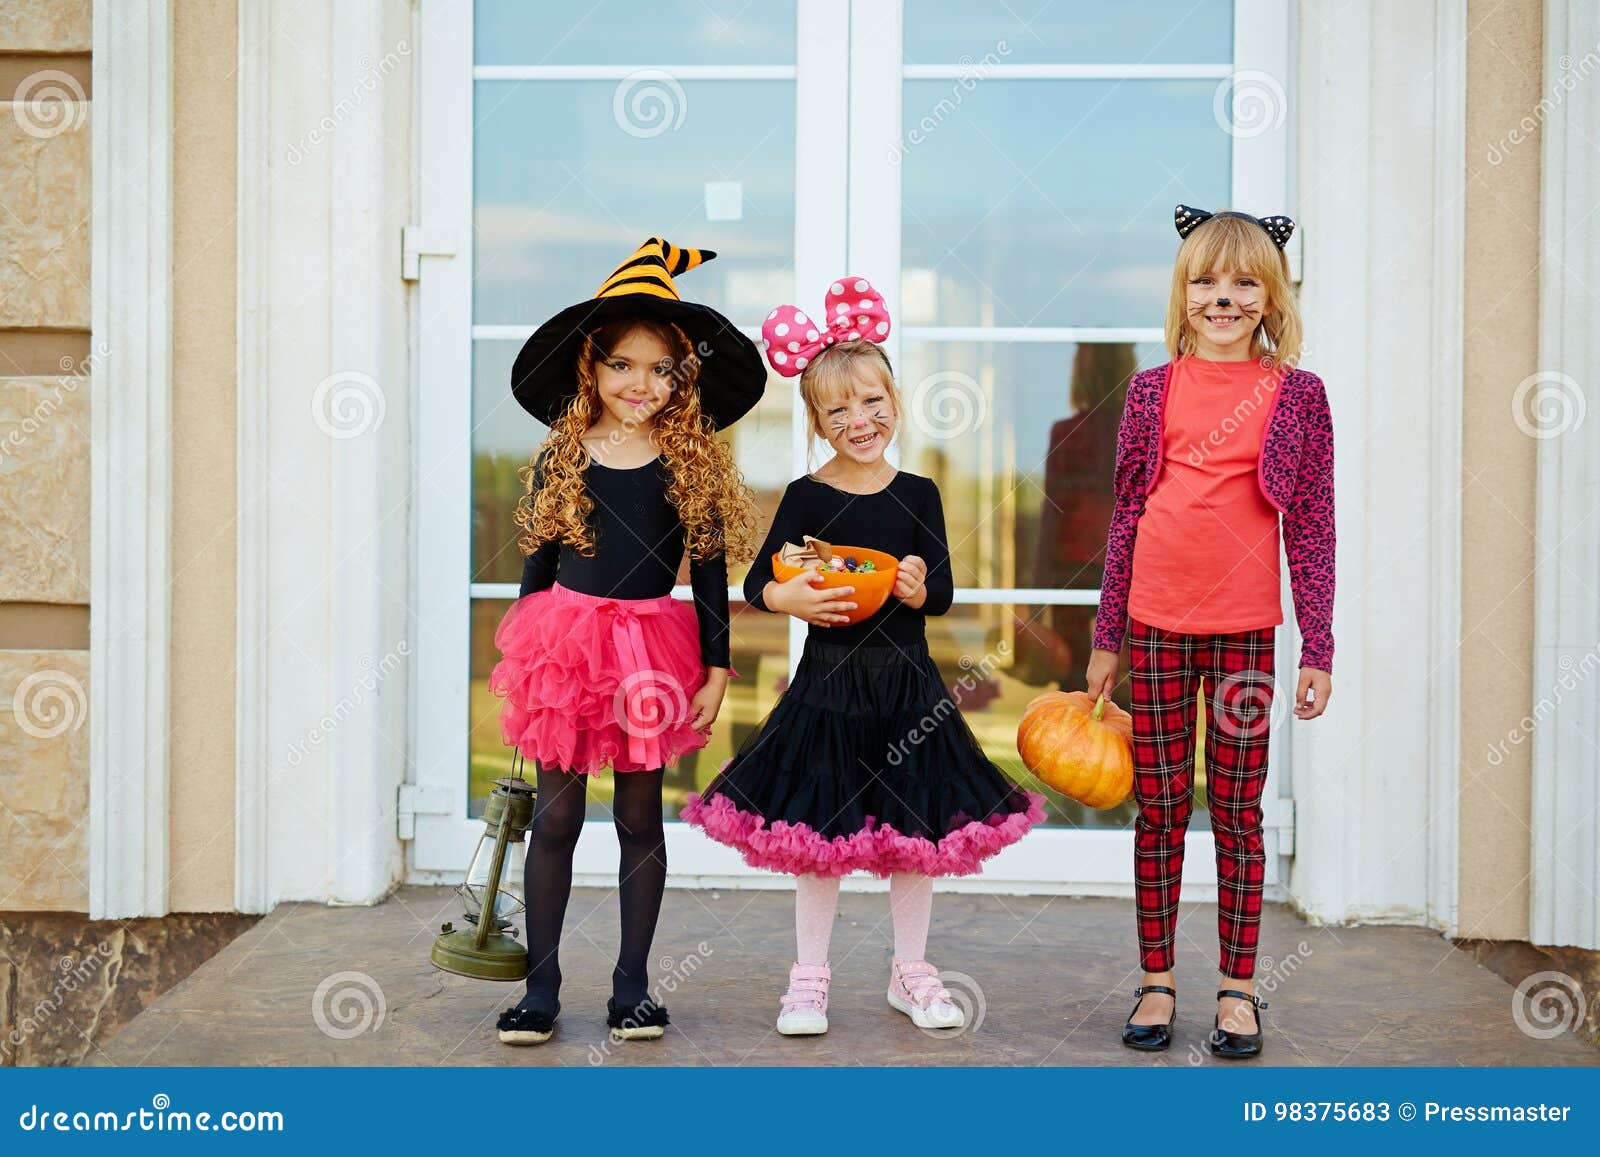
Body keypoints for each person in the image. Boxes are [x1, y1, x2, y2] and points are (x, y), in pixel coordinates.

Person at [682, 276, 1045, 1036]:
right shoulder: (807, 495)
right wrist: (789, 598)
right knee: (820, 838)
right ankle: (809, 978)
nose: (860, 419)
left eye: (873, 401)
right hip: (828, 688)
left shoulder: (917, 493)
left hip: (908, 688)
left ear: (895, 401)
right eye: (839, 408)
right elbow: (760, 579)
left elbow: (939, 589)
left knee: (913, 835)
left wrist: (915, 585)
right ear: (815, 419)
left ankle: (909, 971)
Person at [489, 238, 764, 1046]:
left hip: (652, 649)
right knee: (558, 815)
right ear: (591, 370)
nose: (640, 384)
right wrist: (527, 664)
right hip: (566, 648)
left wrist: (717, 664)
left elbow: (708, 568)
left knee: (641, 815)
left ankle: (633, 986)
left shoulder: (690, 463)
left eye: (661, 369)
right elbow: (536, 568)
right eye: (622, 365)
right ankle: (540, 990)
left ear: (683, 378)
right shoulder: (562, 457)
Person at [1086, 206, 1335, 1059]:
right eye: (1205, 281)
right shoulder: (1152, 391)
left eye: (1242, 283)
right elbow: (1126, 514)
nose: (1221, 298)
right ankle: (1157, 980)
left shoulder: (1298, 395)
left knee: (1236, 811)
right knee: (1158, 810)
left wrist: (1321, 646)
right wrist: (1107, 635)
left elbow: (1313, 526)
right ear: (1182, 292)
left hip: (1244, 637)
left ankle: (1237, 988)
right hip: (1155, 623)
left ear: (1270, 297)